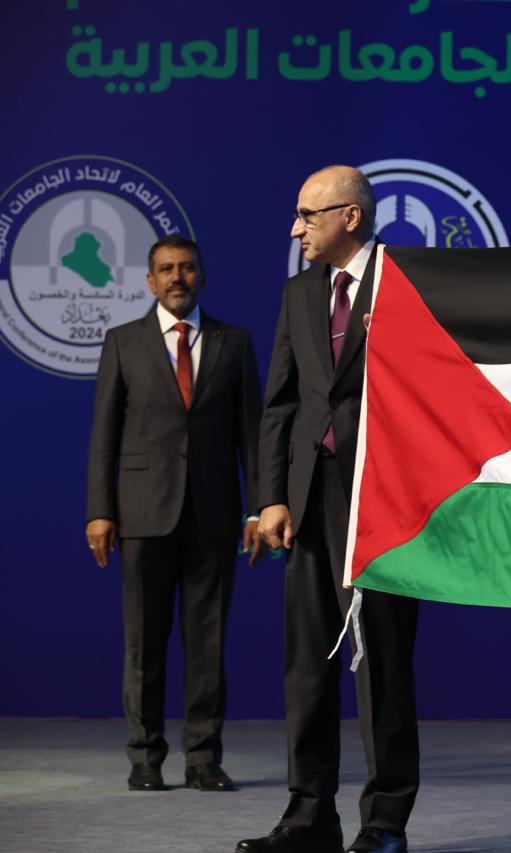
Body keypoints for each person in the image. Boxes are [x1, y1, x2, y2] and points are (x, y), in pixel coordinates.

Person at [238, 166, 419, 853]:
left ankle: (385, 822)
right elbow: (281, 402)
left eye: (307, 216)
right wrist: (271, 497)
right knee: (307, 663)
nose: (295, 229)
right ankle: (310, 815)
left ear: (350, 216)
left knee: (382, 664)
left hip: (385, 499)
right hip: (309, 500)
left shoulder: (408, 280)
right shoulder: (300, 293)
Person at [86, 235, 262, 793]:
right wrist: (100, 510)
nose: (177, 277)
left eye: (186, 268)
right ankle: (145, 758)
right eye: (166, 269)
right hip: (141, 516)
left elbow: (253, 438)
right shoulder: (122, 342)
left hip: (215, 516)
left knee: (207, 644)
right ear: (150, 281)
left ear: (202, 276)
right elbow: (104, 436)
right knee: (144, 643)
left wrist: (259, 509)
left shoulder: (235, 343)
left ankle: (203, 759)